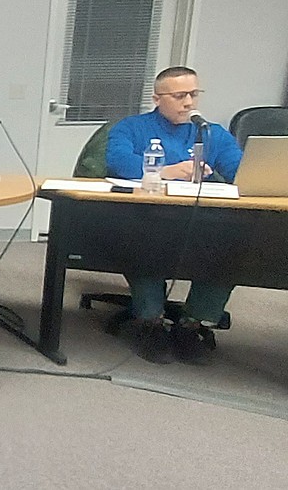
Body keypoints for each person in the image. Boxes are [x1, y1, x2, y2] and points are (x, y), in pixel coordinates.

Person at [106, 66, 243, 365]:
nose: (189, 103)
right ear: (157, 98)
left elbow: (240, 172)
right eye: (180, 96)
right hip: (149, 218)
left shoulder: (211, 133)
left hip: (202, 221)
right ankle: (149, 322)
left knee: (232, 248)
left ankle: (192, 325)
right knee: (145, 242)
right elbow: (118, 163)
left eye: (194, 94)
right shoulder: (131, 127)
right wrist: (168, 171)